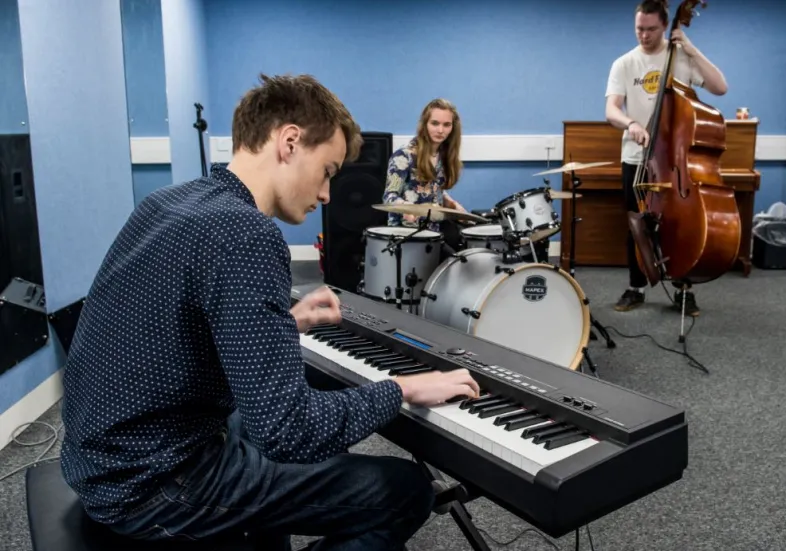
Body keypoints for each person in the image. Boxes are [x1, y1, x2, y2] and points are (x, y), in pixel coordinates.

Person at [60, 74, 480, 551]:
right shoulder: (246, 233)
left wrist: (286, 321)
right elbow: (288, 432)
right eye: (327, 171)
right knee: (405, 490)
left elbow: (173, 326)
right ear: (290, 141)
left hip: (97, 461)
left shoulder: (170, 202)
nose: (326, 194)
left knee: (278, 412)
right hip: (154, 486)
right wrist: (400, 388)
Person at [605, 0, 728, 316]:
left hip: (675, 161)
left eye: (651, 29)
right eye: (639, 29)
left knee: (678, 224)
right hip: (637, 158)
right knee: (637, 222)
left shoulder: (682, 58)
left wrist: (690, 47)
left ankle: (683, 288)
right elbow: (611, 110)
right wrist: (631, 123)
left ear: (664, 27)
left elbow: (720, 87)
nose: (644, 36)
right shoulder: (624, 63)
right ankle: (636, 287)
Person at [383, 98, 467, 251]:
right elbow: (389, 196)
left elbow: (435, 189)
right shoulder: (403, 156)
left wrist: (452, 204)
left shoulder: (443, 156)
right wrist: (407, 208)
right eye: (435, 123)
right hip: (407, 235)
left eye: (446, 125)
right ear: (425, 124)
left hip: (435, 233)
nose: (440, 130)